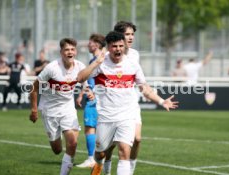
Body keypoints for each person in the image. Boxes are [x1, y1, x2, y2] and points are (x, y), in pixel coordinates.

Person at [77, 31, 178, 175]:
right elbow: (80, 78)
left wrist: (162, 101)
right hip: (106, 117)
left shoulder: (132, 65)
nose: (118, 49)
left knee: (124, 151)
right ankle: (98, 164)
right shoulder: (101, 63)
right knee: (100, 153)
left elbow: (145, 89)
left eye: (120, 46)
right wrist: (96, 63)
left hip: (127, 116)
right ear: (108, 47)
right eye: (114, 46)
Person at [29, 38, 87, 175]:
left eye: (72, 49)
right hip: (50, 111)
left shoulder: (80, 66)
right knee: (57, 150)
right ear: (61, 52)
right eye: (67, 49)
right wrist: (34, 109)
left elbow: (86, 83)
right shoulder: (51, 68)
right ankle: (57, 136)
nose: (70, 52)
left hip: (68, 109)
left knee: (72, 143)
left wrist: (85, 93)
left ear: (76, 51)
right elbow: (34, 88)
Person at [102, 21, 141, 175]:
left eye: (132, 34)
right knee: (110, 144)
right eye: (127, 34)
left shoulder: (135, 55)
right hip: (111, 106)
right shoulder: (106, 57)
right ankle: (106, 166)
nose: (130, 37)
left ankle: (129, 171)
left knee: (137, 139)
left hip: (131, 104)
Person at [76, 33, 106, 168]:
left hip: (94, 99)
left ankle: (91, 159)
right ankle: (98, 158)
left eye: (91, 42)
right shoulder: (94, 60)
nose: (88, 44)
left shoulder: (100, 60)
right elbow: (90, 80)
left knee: (90, 128)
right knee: (96, 129)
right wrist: (82, 93)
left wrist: (92, 93)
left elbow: (102, 80)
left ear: (97, 44)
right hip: (93, 96)